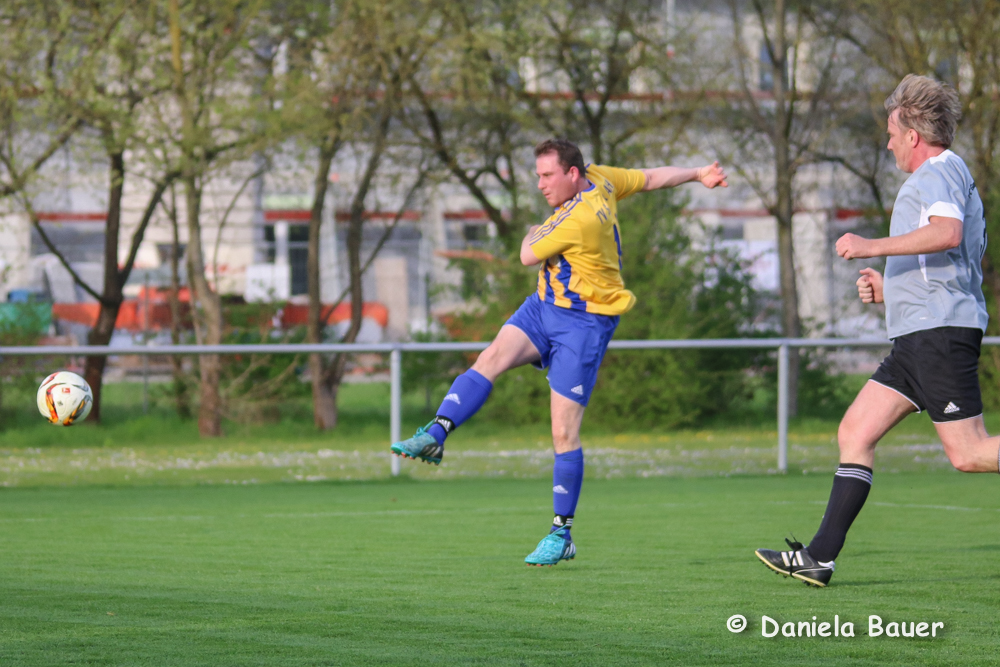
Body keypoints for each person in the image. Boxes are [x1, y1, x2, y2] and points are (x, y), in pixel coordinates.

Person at [392, 138, 727, 566]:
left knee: (563, 433)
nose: (540, 184)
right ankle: (435, 436)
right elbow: (650, 178)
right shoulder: (602, 179)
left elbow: (527, 254)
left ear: (572, 173)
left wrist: (535, 229)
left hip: (584, 324)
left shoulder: (578, 217)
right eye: (537, 175)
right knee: (490, 359)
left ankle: (561, 533)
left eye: (547, 175)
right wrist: (698, 173)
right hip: (544, 307)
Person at [756, 74, 998, 587]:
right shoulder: (945, 175)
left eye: (891, 131)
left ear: (913, 134)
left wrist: (869, 246)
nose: (887, 141)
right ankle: (819, 557)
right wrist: (893, 290)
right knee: (855, 432)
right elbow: (953, 260)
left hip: (938, 333)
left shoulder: (937, 171)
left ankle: (820, 556)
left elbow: (947, 234)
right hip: (918, 333)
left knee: (970, 454)